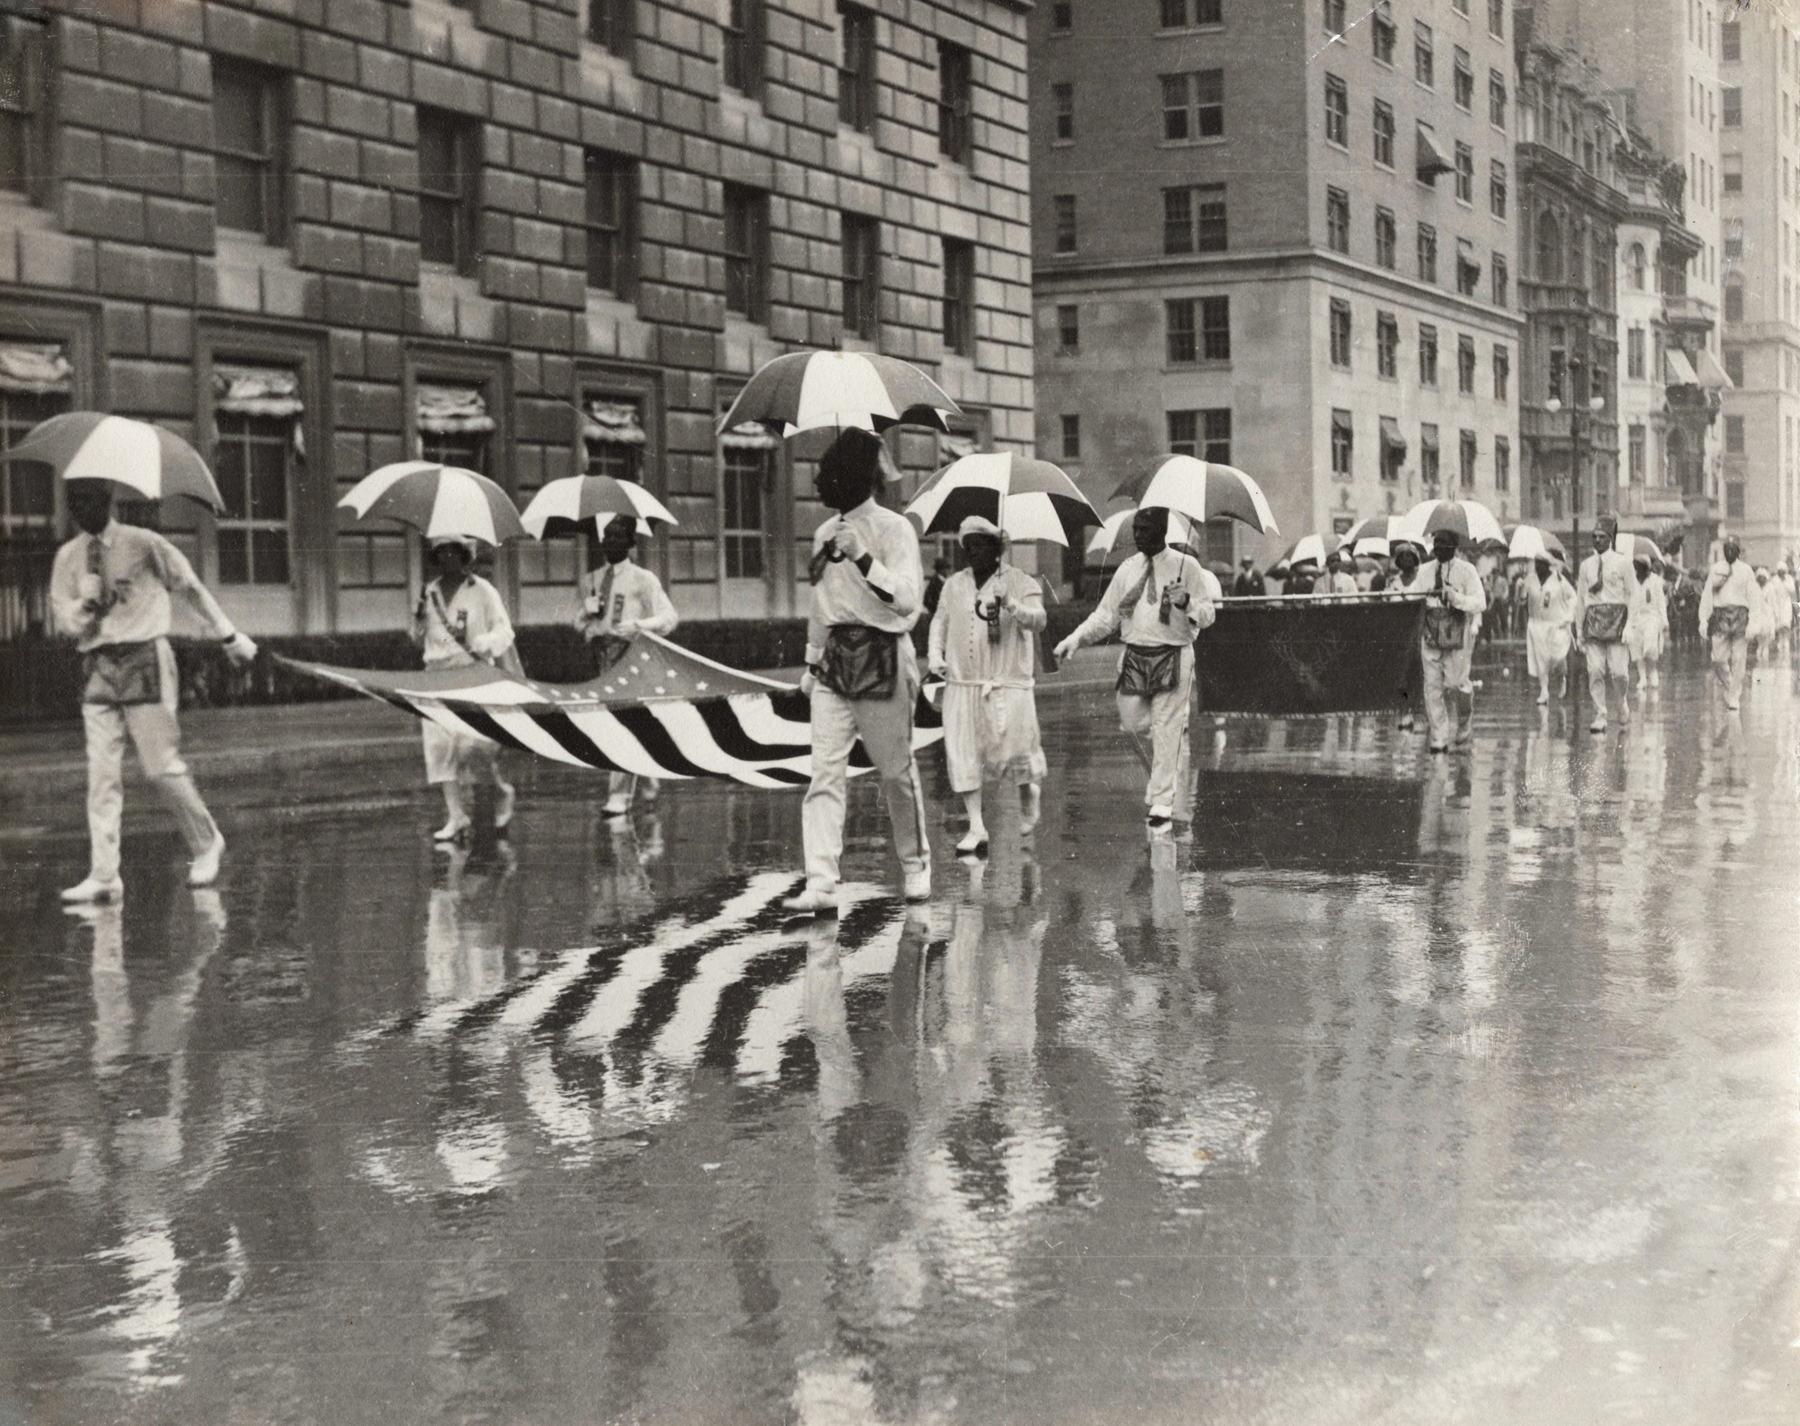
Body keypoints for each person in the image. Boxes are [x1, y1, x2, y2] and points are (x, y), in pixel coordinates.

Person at [50, 479, 259, 902]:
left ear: (107, 499)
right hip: (98, 666)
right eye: (73, 499)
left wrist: (229, 635)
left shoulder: (144, 543)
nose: (80, 507)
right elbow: (64, 622)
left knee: (159, 766)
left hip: (145, 657)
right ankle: (105, 873)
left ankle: (206, 843)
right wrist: (83, 605)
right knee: (101, 775)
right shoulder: (68, 557)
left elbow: (190, 587)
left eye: (88, 497)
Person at [786, 426, 930, 914]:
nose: (820, 483)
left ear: (858, 479)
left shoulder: (895, 529)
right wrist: (810, 664)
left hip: (883, 658)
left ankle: (915, 865)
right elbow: (821, 605)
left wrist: (863, 557)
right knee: (824, 773)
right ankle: (821, 880)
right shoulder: (825, 532)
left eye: (829, 474)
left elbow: (907, 600)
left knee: (895, 772)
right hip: (833, 665)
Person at [1054, 506, 1218, 829]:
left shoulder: (1188, 567)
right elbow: (1105, 616)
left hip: (1173, 653)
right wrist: (1074, 639)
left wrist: (1187, 602)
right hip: (1135, 655)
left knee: (1167, 727)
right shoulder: (1128, 569)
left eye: (1145, 529)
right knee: (1131, 722)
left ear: (1162, 530)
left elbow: (1209, 613)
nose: (1138, 535)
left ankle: (1161, 800)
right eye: (1136, 529)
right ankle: (1164, 761)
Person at [926, 516, 1047, 854]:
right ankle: (976, 826)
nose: (972, 552)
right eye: (968, 546)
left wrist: (1011, 603)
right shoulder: (953, 585)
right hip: (963, 684)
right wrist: (935, 654)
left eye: (979, 545)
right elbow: (939, 621)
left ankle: (1028, 792)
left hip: (1007, 682)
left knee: (1015, 748)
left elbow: (1039, 619)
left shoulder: (1019, 580)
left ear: (996, 548)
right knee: (962, 753)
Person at [574, 513, 679, 815]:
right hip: (603, 658)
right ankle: (646, 779)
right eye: (606, 536)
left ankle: (619, 796)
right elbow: (578, 622)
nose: (611, 542)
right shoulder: (591, 580)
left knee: (623, 722)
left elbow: (669, 617)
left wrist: (640, 625)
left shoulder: (643, 580)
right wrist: (587, 616)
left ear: (631, 542)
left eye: (618, 536)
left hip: (632, 658)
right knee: (618, 722)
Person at [414, 536, 517, 842]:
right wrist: (418, 621)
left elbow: (504, 630)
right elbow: (419, 640)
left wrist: (486, 642)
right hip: (435, 676)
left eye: (453, 552)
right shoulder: (429, 591)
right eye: (441, 552)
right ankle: (456, 816)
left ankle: (501, 791)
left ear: (463, 555)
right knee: (438, 748)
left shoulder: (482, 591)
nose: (447, 557)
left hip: (470, 674)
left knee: (471, 746)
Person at [1415, 528, 1487, 753]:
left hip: (1457, 632)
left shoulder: (1467, 570)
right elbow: (1413, 598)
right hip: (1431, 632)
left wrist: (1456, 598)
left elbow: (1480, 602)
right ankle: (1439, 735)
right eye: (1435, 543)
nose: (1438, 548)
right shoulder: (1425, 570)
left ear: (1454, 546)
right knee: (1432, 685)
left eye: (1444, 543)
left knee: (1457, 684)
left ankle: (1464, 721)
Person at [1572, 519, 1635, 732]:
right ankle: (1600, 714)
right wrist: (1579, 629)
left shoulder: (1623, 563)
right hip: (1593, 619)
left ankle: (1621, 701)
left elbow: (1632, 595)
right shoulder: (1586, 566)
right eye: (1594, 537)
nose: (1598, 540)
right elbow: (1581, 599)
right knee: (1595, 670)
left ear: (1611, 539)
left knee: (1619, 672)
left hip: (1617, 619)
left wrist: (1629, 626)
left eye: (1602, 537)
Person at [1698, 535, 1758, 710]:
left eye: (1733, 549)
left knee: (1739, 658)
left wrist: (1753, 622)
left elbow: (1753, 597)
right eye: (1727, 549)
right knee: (1718, 658)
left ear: (1738, 551)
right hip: (1720, 615)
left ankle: (1734, 695)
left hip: (1740, 615)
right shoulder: (1716, 569)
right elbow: (1707, 594)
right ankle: (1730, 683)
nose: (1729, 552)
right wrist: (1703, 619)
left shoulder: (1746, 571)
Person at [1387, 540, 1429, 731]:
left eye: (1408, 556)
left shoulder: (1423, 580)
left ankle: (1419, 710)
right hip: (1401, 634)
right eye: (1401, 556)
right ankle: (1405, 712)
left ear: (1415, 559)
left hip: (1420, 632)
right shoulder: (1393, 582)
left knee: (1420, 673)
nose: (1405, 560)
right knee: (1402, 674)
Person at [1524, 555, 1575, 706]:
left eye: (1541, 564)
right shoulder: (1529, 579)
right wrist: (1519, 588)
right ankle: (1544, 691)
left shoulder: (1559, 580)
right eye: (1536, 563)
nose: (1537, 566)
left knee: (1558, 657)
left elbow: (1573, 598)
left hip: (1556, 625)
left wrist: (1568, 617)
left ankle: (1561, 678)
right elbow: (1520, 600)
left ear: (1547, 565)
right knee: (1541, 660)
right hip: (1537, 624)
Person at [1624, 551, 1668, 695]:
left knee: (1649, 647)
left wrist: (1664, 619)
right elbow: (1628, 600)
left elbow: (1661, 601)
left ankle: (1653, 671)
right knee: (1636, 649)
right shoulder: (1631, 581)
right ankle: (1642, 678)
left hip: (1652, 617)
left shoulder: (1655, 580)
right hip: (1636, 618)